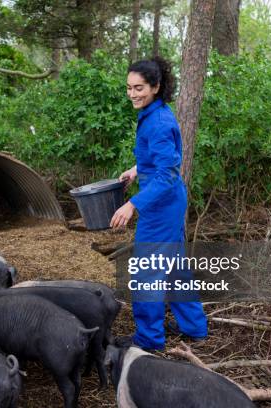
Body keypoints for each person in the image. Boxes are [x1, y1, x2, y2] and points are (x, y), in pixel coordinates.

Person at [110, 56, 208, 351]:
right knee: (175, 266)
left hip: (162, 205)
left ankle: (149, 338)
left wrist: (132, 204)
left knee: (146, 271)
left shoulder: (159, 123)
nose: (132, 94)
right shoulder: (155, 115)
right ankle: (195, 326)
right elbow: (159, 161)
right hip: (167, 200)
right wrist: (136, 169)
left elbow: (168, 174)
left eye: (138, 87)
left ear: (155, 86)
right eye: (129, 88)